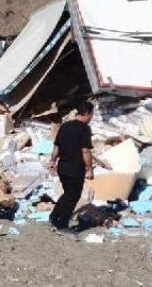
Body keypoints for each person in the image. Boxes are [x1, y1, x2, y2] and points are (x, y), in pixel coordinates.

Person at [48, 100, 94, 236]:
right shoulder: (85, 129)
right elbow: (85, 151)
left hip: (63, 167)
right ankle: (62, 225)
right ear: (86, 113)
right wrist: (90, 169)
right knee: (73, 196)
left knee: (68, 194)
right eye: (91, 114)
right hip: (75, 168)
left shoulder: (65, 126)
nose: (92, 117)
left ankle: (54, 217)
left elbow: (56, 147)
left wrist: (52, 161)